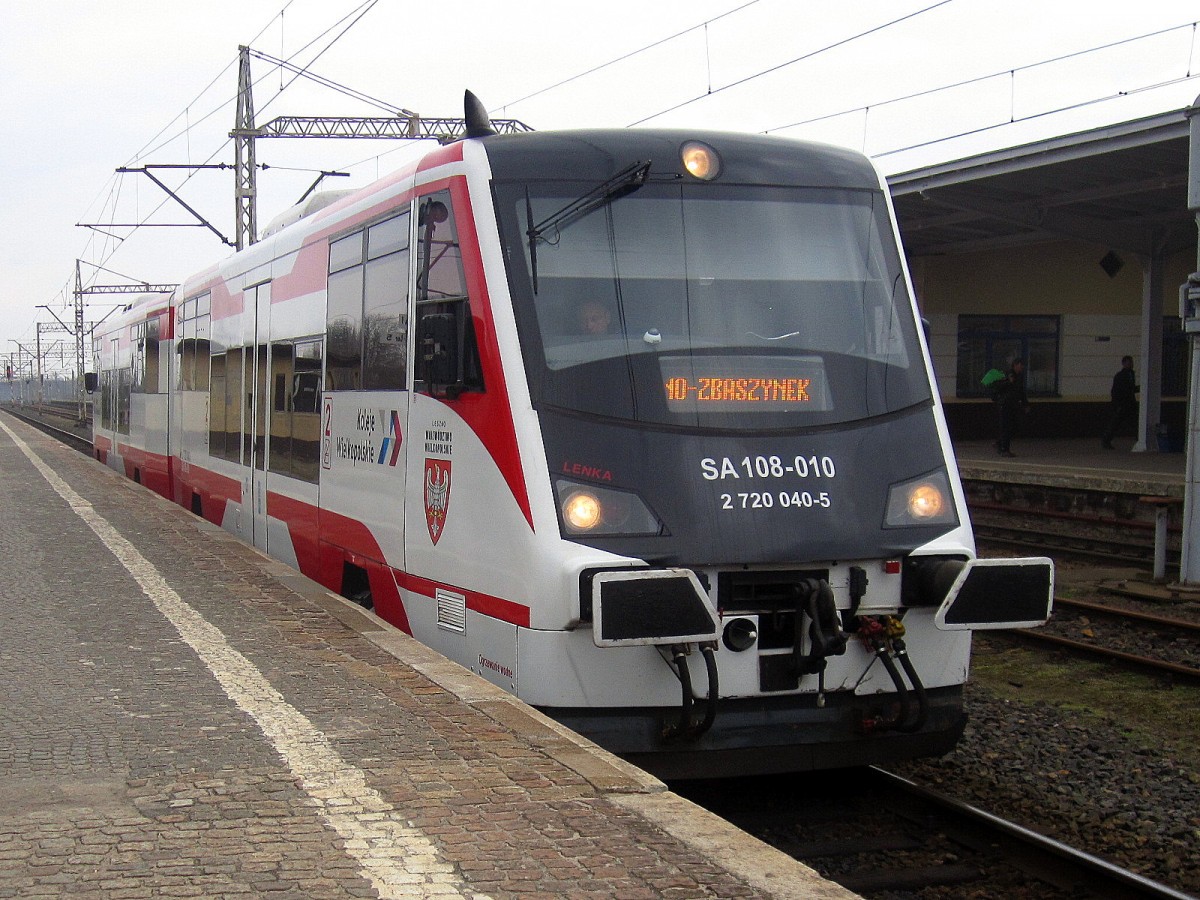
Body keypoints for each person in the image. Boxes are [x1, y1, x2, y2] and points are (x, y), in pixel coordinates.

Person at [993, 358, 1029, 457]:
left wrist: (1025, 404)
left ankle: (1000, 443)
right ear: (1015, 365)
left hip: (1013, 404)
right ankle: (1004, 449)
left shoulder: (1019, 377)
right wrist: (1008, 382)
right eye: (1020, 365)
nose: (1022, 368)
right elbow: (998, 388)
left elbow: (1021, 391)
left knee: (1012, 426)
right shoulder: (1007, 375)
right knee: (1006, 427)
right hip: (1005, 404)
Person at [1101, 355, 1138, 449]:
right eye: (1129, 363)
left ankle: (1139, 438)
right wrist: (1117, 404)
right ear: (1124, 364)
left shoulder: (1131, 374)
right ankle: (1106, 440)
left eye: (1131, 362)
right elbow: (1116, 391)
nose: (1131, 364)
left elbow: (1130, 389)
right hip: (1123, 404)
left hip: (1129, 403)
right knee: (1116, 423)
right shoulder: (1121, 376)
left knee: (1134, 422)